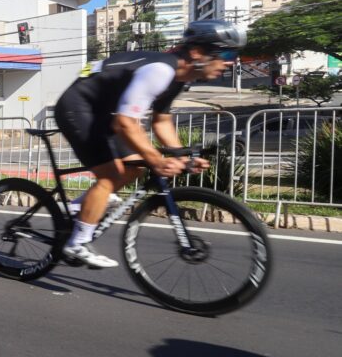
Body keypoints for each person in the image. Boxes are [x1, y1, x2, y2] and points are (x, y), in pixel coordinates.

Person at [54, 19, 246, 268]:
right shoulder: (161, 71)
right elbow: (125, 122)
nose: (231, 62)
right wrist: (157, 160)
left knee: (135, 167)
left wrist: (181, 156)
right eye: (226, 54)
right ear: (197, 52)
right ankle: (77, 242)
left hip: (104, 112)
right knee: (111, 175)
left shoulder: (179, 77)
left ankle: (78, 207)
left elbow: (161, 120)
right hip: (78, 106)